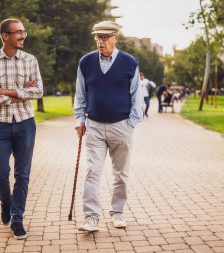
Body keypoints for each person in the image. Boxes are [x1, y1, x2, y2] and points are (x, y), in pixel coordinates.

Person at [74, 21, 143, 232]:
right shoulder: (86, 62)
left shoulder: (129, 62)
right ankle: (91, 217)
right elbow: (81, 93)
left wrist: (131, 123)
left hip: (121, 126)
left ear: (115, 38)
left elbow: (136, 95)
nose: (100, 41)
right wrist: (80, 119)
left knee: (120, 173)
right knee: (92, 171)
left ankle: (117, 212)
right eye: (97, 37)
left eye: (105, 37)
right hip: (94, 125)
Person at [0, 18, 43, 240]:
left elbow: (38, 91)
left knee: (22, 174)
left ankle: (17, 219)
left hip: (26, 123)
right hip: (0, 125)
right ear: (5, 36)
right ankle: (6, 202)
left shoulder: (30, 60)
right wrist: (20, 94)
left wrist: (6, 92)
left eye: (24, 32)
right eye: (18, 32)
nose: (23, 35)